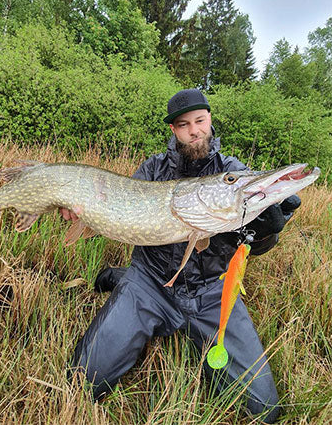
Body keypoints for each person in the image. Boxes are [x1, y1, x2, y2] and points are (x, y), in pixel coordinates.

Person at [64, 89, 300, 423]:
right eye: (184, 124)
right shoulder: (153, 169)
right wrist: (83, 209)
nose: (194, 130)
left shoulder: (232, 172)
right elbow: (121, 217)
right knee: (83, 380)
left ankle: (120, 280)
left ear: (210, 120)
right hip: (150, 282)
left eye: (200, 121)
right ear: (174, 130)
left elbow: (255, 246)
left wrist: (266, 229)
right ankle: (125, 282)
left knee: (264, 411)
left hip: (209, 291)